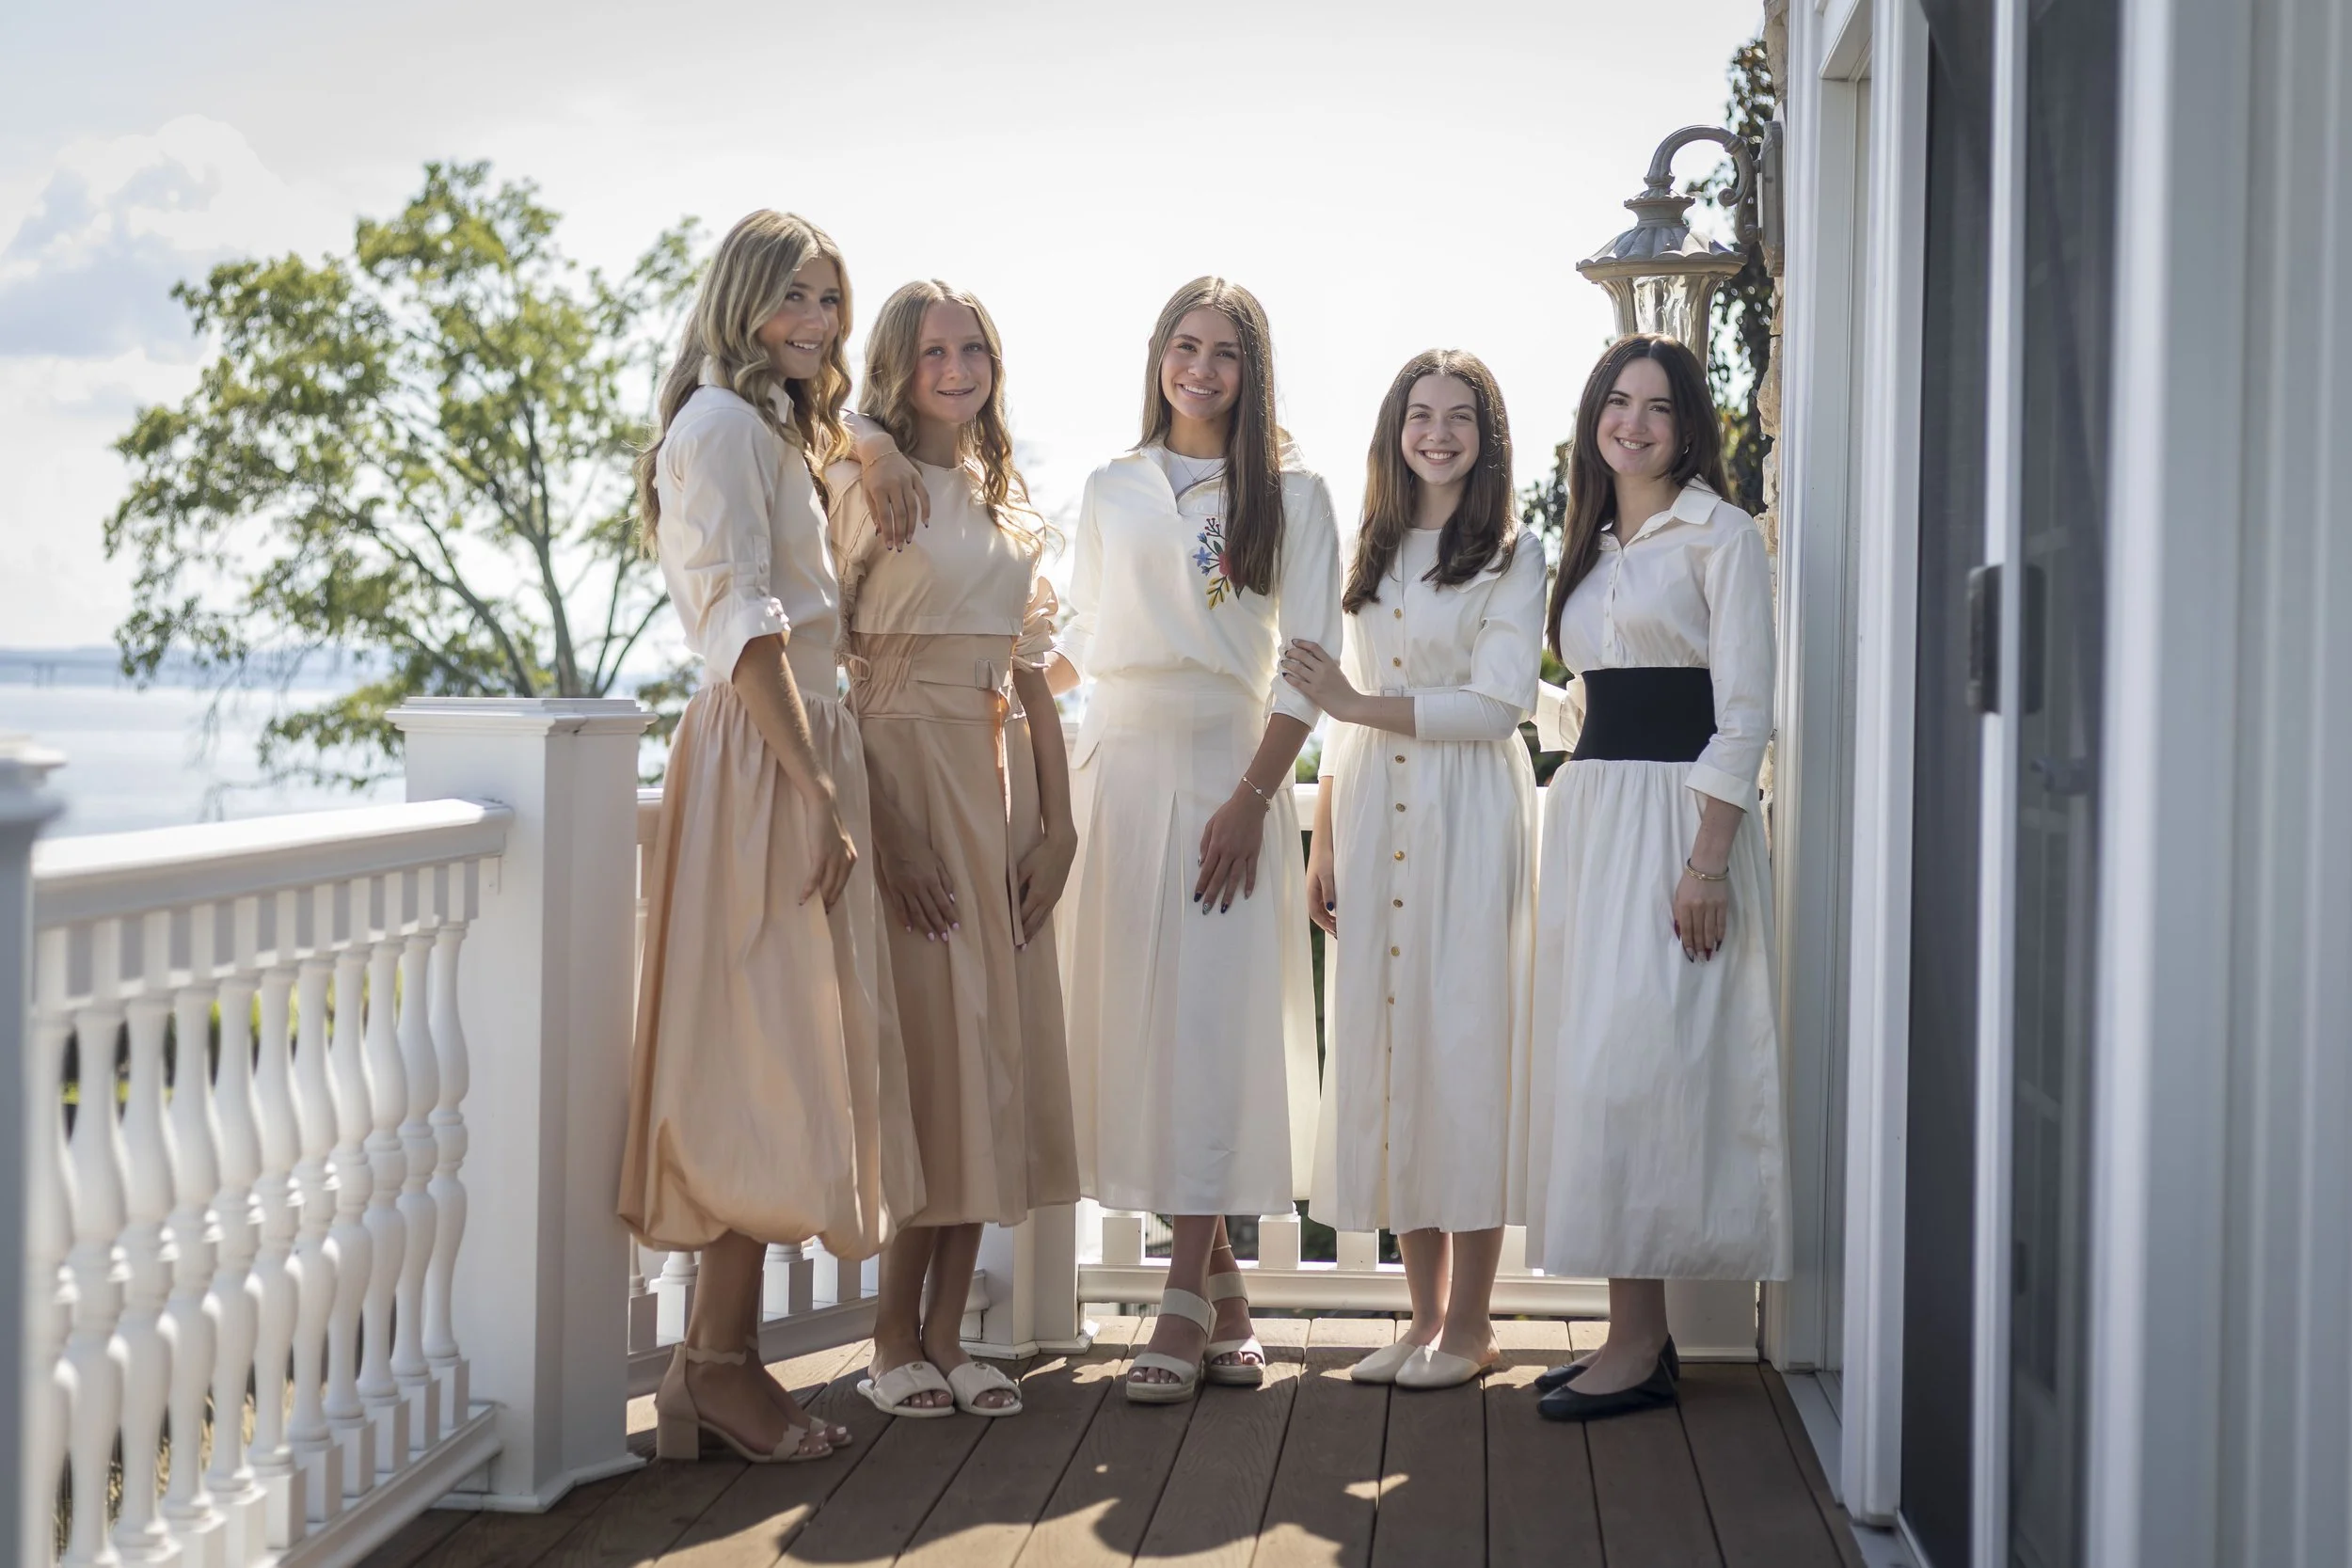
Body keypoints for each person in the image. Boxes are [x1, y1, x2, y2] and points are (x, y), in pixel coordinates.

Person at [618, 210, 929, 1463]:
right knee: (756, 1052)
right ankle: (719, 1360)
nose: (816, 319)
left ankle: (716, 1360)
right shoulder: (716, 428)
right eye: (792, 297)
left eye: (828, 300)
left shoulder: (764, 426)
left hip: (795, 741)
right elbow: (743, 625)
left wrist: (858, 429)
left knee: (786, 1049)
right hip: (766, 750)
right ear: (740, 301)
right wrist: (812, 789)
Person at [1057, 277, 1342, 1403]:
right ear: (1157, 355)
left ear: (1251, 368)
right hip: (1116, 773)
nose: (1202, 369)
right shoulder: (1110, 487)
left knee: (1213, 1029)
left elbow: (1306, 659)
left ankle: (1177, 1303)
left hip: (1229, 769)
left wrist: (1255, 796)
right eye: (1185, 345)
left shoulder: (1293, 495)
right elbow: (1078, 639)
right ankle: (1221, 1293)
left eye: (1225, 351)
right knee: (1138, 1034)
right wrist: (993, 705)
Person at [1522, 332, 1791, 1422]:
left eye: (1659, 406)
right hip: (1593, 819)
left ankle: (1638, 1345)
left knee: (1647, 1065)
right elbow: (1590, 693)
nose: (1634, 422)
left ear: (1690, 427)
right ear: (1595, 415)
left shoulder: (1720, 534)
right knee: (1597, 1072)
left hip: (1678, 823)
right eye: (1616, 401)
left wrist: (1707, 862)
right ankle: (1636, 1333)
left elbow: (1746, 711)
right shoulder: (1586, 539)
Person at [826, 280, 1081, 1419]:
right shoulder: (856, 479)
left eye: (973, 346)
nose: (957, 364)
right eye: (933, 349)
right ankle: (890, 1337)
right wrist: (886, 829)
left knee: (988, 1048)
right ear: (896, 364)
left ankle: (947, 1331)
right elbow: (824, 666)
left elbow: (1033, 676)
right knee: (926, 1052)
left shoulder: (1000, 497)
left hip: (993, 788)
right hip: (897, 771)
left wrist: (1058, 822)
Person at [1281, 349, 1542, 1392]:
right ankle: (1421, 1315)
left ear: (1487, 436)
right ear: (1395, 430)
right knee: (1392, 1053)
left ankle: (1473, 1324)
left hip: (1467, 816)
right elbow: (1352, 710)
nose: (1437, 434)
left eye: (1459, 418)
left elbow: (1498, 704)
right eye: (1419, 415)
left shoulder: (1511, 556)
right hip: (1373, 805)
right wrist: (1326, 840)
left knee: (1462, 1053)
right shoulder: (1374, 547)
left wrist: (1350, 709)